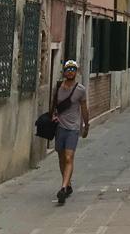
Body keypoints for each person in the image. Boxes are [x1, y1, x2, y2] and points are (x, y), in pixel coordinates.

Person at [52, 60, 89, 205]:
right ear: (64, 71)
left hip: (73, 128)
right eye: (68, 69)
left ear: (76, 72)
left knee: (69, 157)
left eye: (73, 69)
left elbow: (84, 108)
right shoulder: (58, 87)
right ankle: (67, 184)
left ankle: (63, 188)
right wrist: (53, 115)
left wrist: (86, 125)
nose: (70, 71)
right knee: (61, 158)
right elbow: (53, 105)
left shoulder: (80, 90)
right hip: (60, 127)